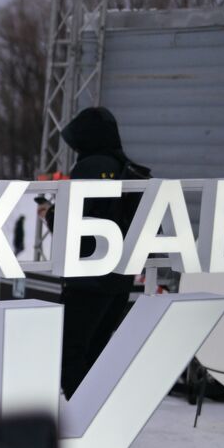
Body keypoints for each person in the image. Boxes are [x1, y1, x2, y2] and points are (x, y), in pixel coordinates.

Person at [57, 106, 150, 397]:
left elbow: (74, 220)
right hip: (119, 280)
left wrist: (50, 215)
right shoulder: (132, 170)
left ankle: (80, 421)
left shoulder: (89, 168)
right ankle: (92, 419)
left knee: (71, 354)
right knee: (97, 353)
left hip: (88, 278)